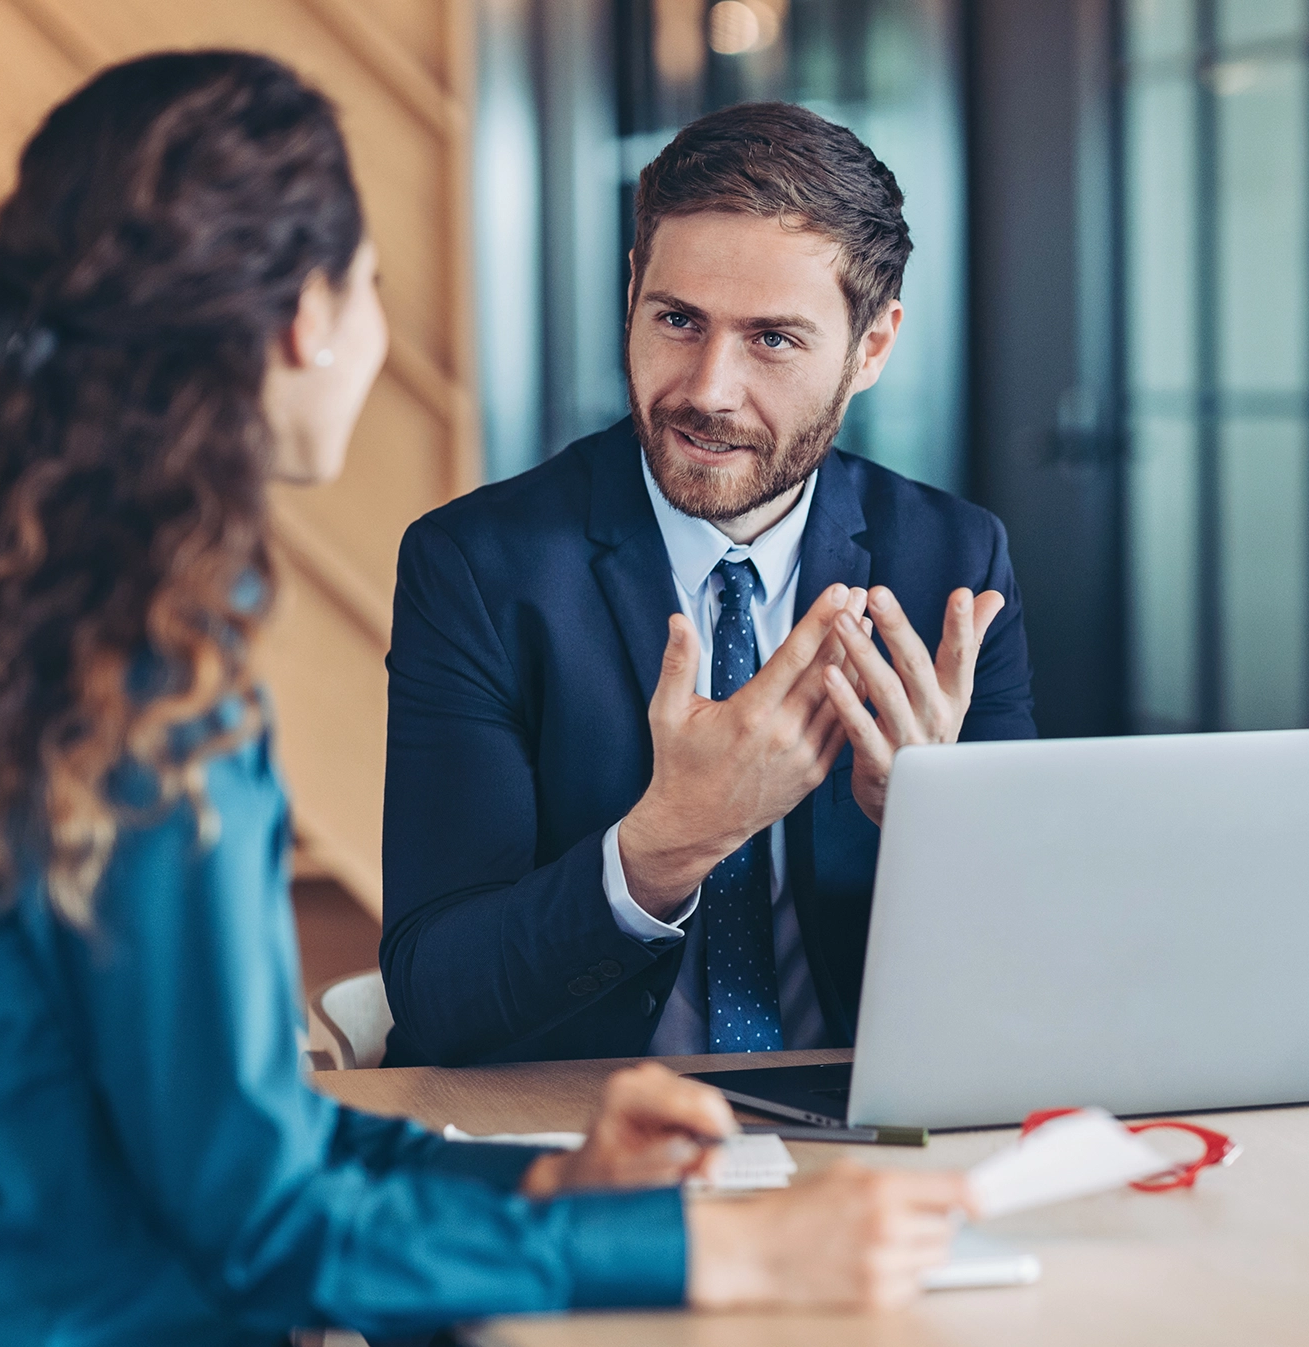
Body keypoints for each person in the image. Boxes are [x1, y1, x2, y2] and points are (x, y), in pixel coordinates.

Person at [0, 52, 969, 1347]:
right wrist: (714, 1247)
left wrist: (546, 1184)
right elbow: (267, 1223)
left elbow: (235, 1144)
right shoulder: (138, 685)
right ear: (308, 319)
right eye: (371, 286)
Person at [381, 102, 1036, 1067]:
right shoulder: (477, 567)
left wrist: (936, 830)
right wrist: (669, 843)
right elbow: (437, 993)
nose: (707, 390)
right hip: (582, 1118)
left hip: (854, 1124)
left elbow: (1030, 972)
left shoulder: (953, 564)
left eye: (773, 339)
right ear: (632, 292)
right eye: (678, 320)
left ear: (872, 348)